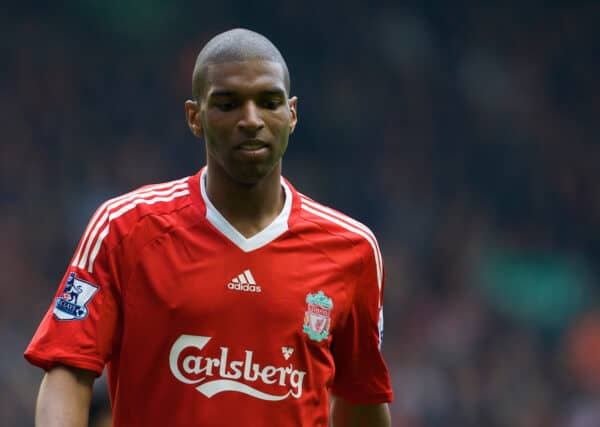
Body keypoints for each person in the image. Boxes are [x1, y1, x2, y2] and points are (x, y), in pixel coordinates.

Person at [25, 28, 393, 426]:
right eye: (228, 104)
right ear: (194, 117)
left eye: (269, 102)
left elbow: (362, 399)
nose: (251, 120)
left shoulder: (351, 249)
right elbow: (67, 370)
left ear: (292, 114)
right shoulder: (125, 229)